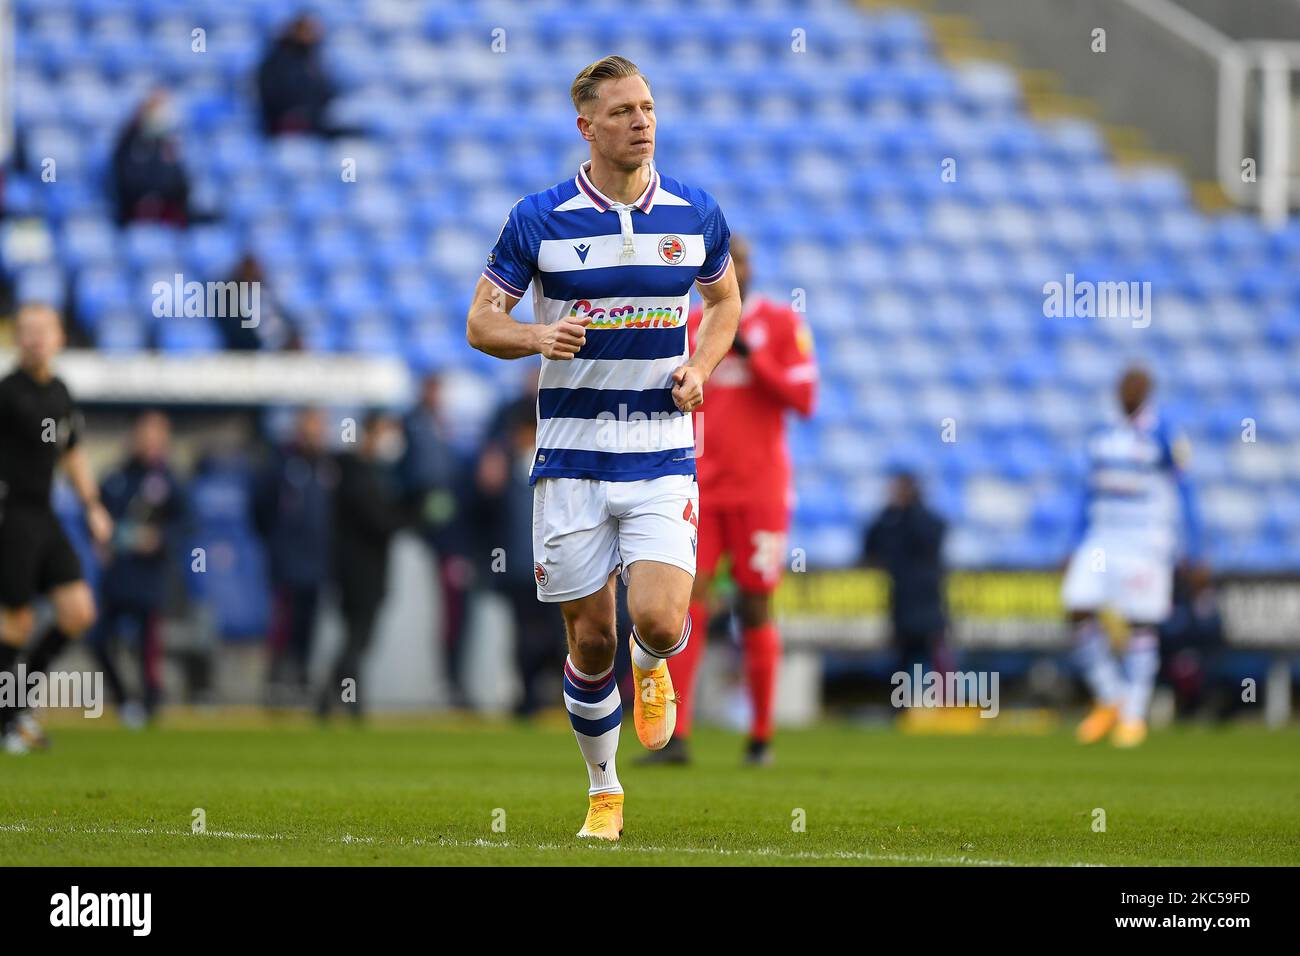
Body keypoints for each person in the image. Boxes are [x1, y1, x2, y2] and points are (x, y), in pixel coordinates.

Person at [466, 55, 741, 841]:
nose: (642, 121)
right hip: (571, 460)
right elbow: (480, 321)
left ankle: (655, 667)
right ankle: (605, 789)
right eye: (623, 111)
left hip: (660, 451)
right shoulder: (539, 219)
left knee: (653, 619)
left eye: (648, 106)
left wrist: (702, 366)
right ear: (586, 126)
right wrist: (534, 335)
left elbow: (725, 304)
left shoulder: (693, 212)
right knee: (590, 639)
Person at [653, 235, 818, 766]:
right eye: (729, 262)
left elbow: (805, 398)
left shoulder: (780, 324)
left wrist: (755, 357)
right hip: (701, 487)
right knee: (686, 602)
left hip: (761, 491)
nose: (736, 269)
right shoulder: (694, 329)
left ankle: (761, 737)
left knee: (753, 604)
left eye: (743, 261)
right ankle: (676, 738)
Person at [1061, 366, 1206, 748]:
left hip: (1146, 540)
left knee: (1141, 623)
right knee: (1076, 607)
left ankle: (1133, 715)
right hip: (1103, 537)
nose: (1127, 392)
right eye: (1123, 385)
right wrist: (1073, 543)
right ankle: (1110, 696)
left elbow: (1186, 492)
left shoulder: (1164, 432)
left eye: (1135, 386)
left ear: (1146, 391)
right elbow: (1086, 493)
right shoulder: (1103, 433)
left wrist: (1197, 548)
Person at [0, 304, 113, 753]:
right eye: (25, 331)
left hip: (45, 514)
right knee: (17, 622)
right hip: (12, 516)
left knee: (78, 611)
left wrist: (92, 506)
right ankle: (8, 722)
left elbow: (72, 452)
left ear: (59, 337)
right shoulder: (7, 393)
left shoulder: (60, 392)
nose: (34, 338)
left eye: (42, 330)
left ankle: (15, 705)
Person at [92, 410, 183, 726]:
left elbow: (186, 527)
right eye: (145, 433)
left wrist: (158, 539)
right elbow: (95, 516)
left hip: (150, 578)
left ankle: (150, 705)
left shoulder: (170, 481)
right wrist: (102, 539)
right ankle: (124, 700)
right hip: (118, 575)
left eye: (157, 435)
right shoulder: (116, 477)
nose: (150, 441)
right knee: (98, 639)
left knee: (148, 646)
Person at [478, 399, 566, 717]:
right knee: (523, 636)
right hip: (517, 570)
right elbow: (484, 516)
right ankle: (528, 697)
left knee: (556, 634)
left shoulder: (554, 466)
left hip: (553, 566)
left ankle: (556, 693)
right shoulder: (503, 469)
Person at [320, 412, 409, 719]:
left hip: (365, 570)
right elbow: (377, 520)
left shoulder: (368, 472)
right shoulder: (357, 474)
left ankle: (342, 698)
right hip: (359, 572)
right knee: (357, 638)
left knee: (358, 639)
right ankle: (335, 698)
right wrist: (408, 516)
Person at [400, 374, 477, 709]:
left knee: (457, 613)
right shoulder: (414, 427)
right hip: (439, 540)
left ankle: (454, 681)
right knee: (452, 612)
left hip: (453, 540)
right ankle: (450, 682)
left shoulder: (438, 430)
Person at [254, 408, 337, 704]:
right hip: (287, 558)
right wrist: (277, 541)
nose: (316, 433)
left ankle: (300, 678)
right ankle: (276, 679)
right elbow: (260, 508)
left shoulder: (329, 466)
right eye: (311, 426)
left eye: (320, 426)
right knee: (283, 620)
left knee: (308, 622)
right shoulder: (281, 464)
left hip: (318, 559)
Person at [862, 470, 951, 679]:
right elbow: (870, 546)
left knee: (929, 657)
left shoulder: (923, 520)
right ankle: (903, 704)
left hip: (927, 601)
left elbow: (932, 537)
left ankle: (928, 703)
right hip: (903, 602)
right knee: (903, 659)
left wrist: (907, 511)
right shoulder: (890, 521)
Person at [110, 90, 192, 227]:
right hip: (134, 214)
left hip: (168, 213)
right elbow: (124, 181)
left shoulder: (169, 144)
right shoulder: (129, 143)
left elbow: (181, 184)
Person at [256, 14, 341, 138]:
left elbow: (324, 93)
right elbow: (272, 96)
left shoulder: (312, 59)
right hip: (284, 125)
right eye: (307, 31)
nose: (313, 35)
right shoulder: (276, 62)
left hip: (314, 121)